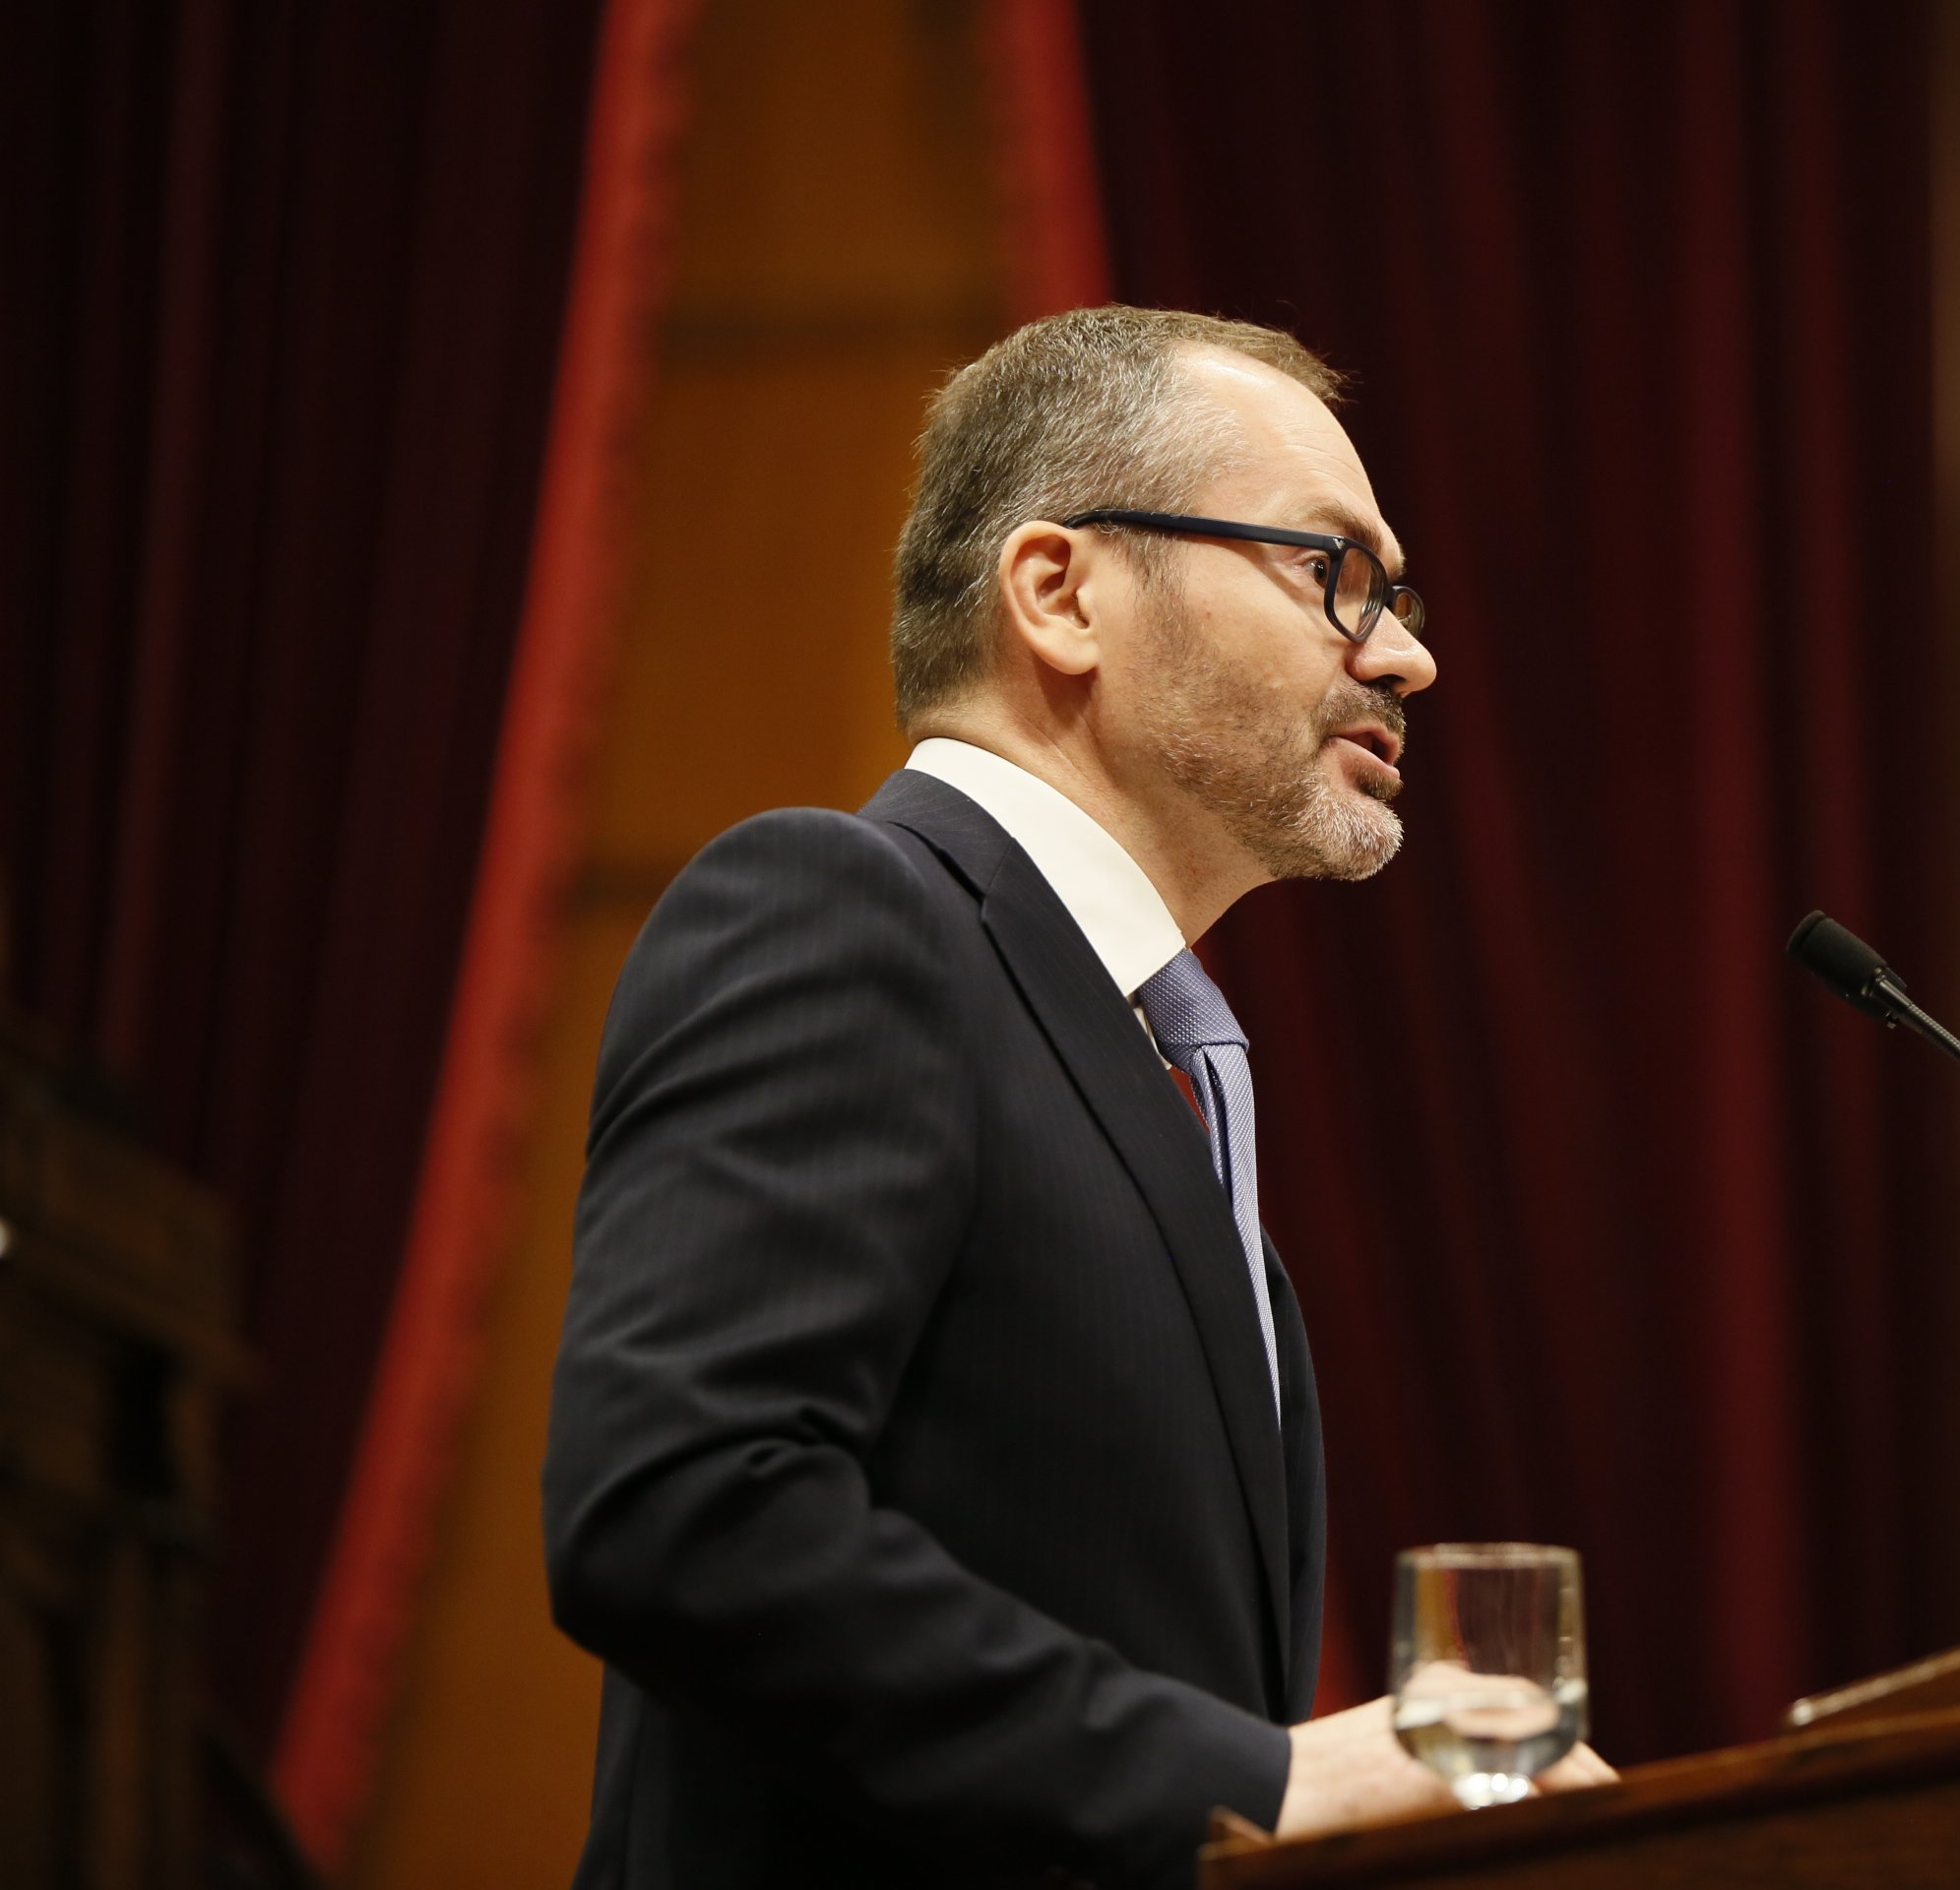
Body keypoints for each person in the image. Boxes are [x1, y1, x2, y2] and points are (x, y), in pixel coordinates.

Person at [539, 306, 1609, 1889]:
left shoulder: (1154, 1075)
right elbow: (681, 1514)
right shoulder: (845, 915)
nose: (1406, 653)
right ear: (1060, 593)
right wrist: (1257, 1782)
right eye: (1335, 574)